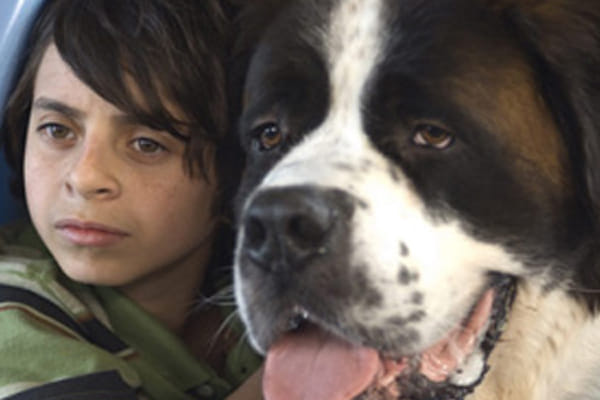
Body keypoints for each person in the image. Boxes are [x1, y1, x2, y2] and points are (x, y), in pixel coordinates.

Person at [0, 0, 263, 399]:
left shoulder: (250, 289)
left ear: (236, 173)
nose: (85, 178)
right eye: (57, 130)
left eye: (146, 144)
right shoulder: (13, 311)